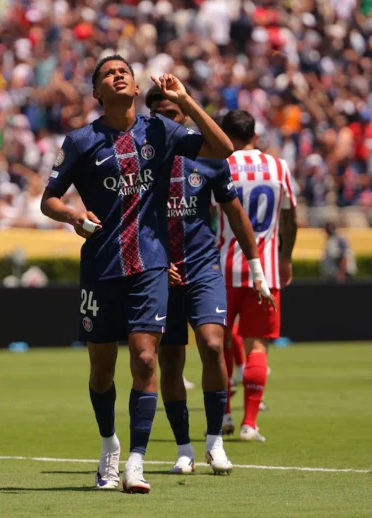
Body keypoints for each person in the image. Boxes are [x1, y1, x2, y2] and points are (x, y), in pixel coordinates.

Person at [40, 55, 233, 493]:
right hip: (101, 267)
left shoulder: (160, 130)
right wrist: (73, 217)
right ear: (97, 92)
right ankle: (109, 445)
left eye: (123, 69)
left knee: (146, 358)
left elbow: (223, 150)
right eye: (108, 73)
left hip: (150, 264)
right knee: (102, 370)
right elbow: (47, 200)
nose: (119, 74)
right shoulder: (80, 141)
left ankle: (136, 461)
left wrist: (186, 99)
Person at [146, 85, 273, 475]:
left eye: (175, 112)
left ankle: (215, 442)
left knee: (214, 344)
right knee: (170, 359)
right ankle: (183, 447)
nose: (169, 119)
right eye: (161, 114)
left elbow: (236, 216)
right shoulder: (142, 160)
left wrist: (257, 268)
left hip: (202, 267)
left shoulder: (209, 158)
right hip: (160, 272)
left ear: (184, 114)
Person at [217, 110, 298, 442]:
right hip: (264, 270)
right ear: (254, 133)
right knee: (257, 347)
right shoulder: (279, 167)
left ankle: (222, 415)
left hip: (222, 267)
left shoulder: (222, 165)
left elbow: (208, 214)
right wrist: (286, 258)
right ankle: (250, 424)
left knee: (218, 344)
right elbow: (291, 218)